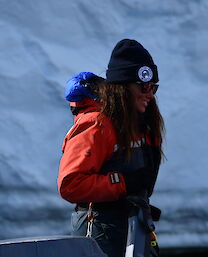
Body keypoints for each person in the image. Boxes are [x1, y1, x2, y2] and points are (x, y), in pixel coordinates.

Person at [58, 39, 164, 257]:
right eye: (143, 87)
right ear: (123, 88)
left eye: (153, 87)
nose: (150, 94)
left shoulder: (142, 125)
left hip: (134, 229)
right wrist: (122, 182)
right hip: (99, 233)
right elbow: (70, 184)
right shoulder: (97, 124)